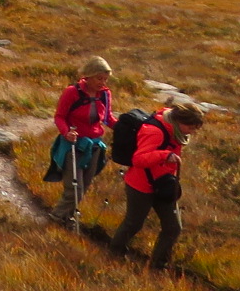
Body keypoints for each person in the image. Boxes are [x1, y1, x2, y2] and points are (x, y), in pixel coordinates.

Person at [111, 102, 205, 271]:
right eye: (191, 127)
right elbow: (138, 159)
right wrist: (164, 155)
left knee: (173, 228)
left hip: (163, 184)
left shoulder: (173, 130)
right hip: (141, 185)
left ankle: (157, 267)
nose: (192, 131)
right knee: (133, 224)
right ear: (179, 121)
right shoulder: (154, 131)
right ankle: (114, 254)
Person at [45, 57, 114, 224]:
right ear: (88, 76)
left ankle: (66, 217)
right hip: (73, 146)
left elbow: (107, 118)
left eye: (105, 79)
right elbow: (59, 116)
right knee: (75, 187)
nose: (102, 82)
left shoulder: (105, 94)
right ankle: (56, 218)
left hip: (95, 146)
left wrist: (127, 128)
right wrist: (66, 132)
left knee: (84, 187)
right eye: (99, 78)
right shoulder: (72, 92)